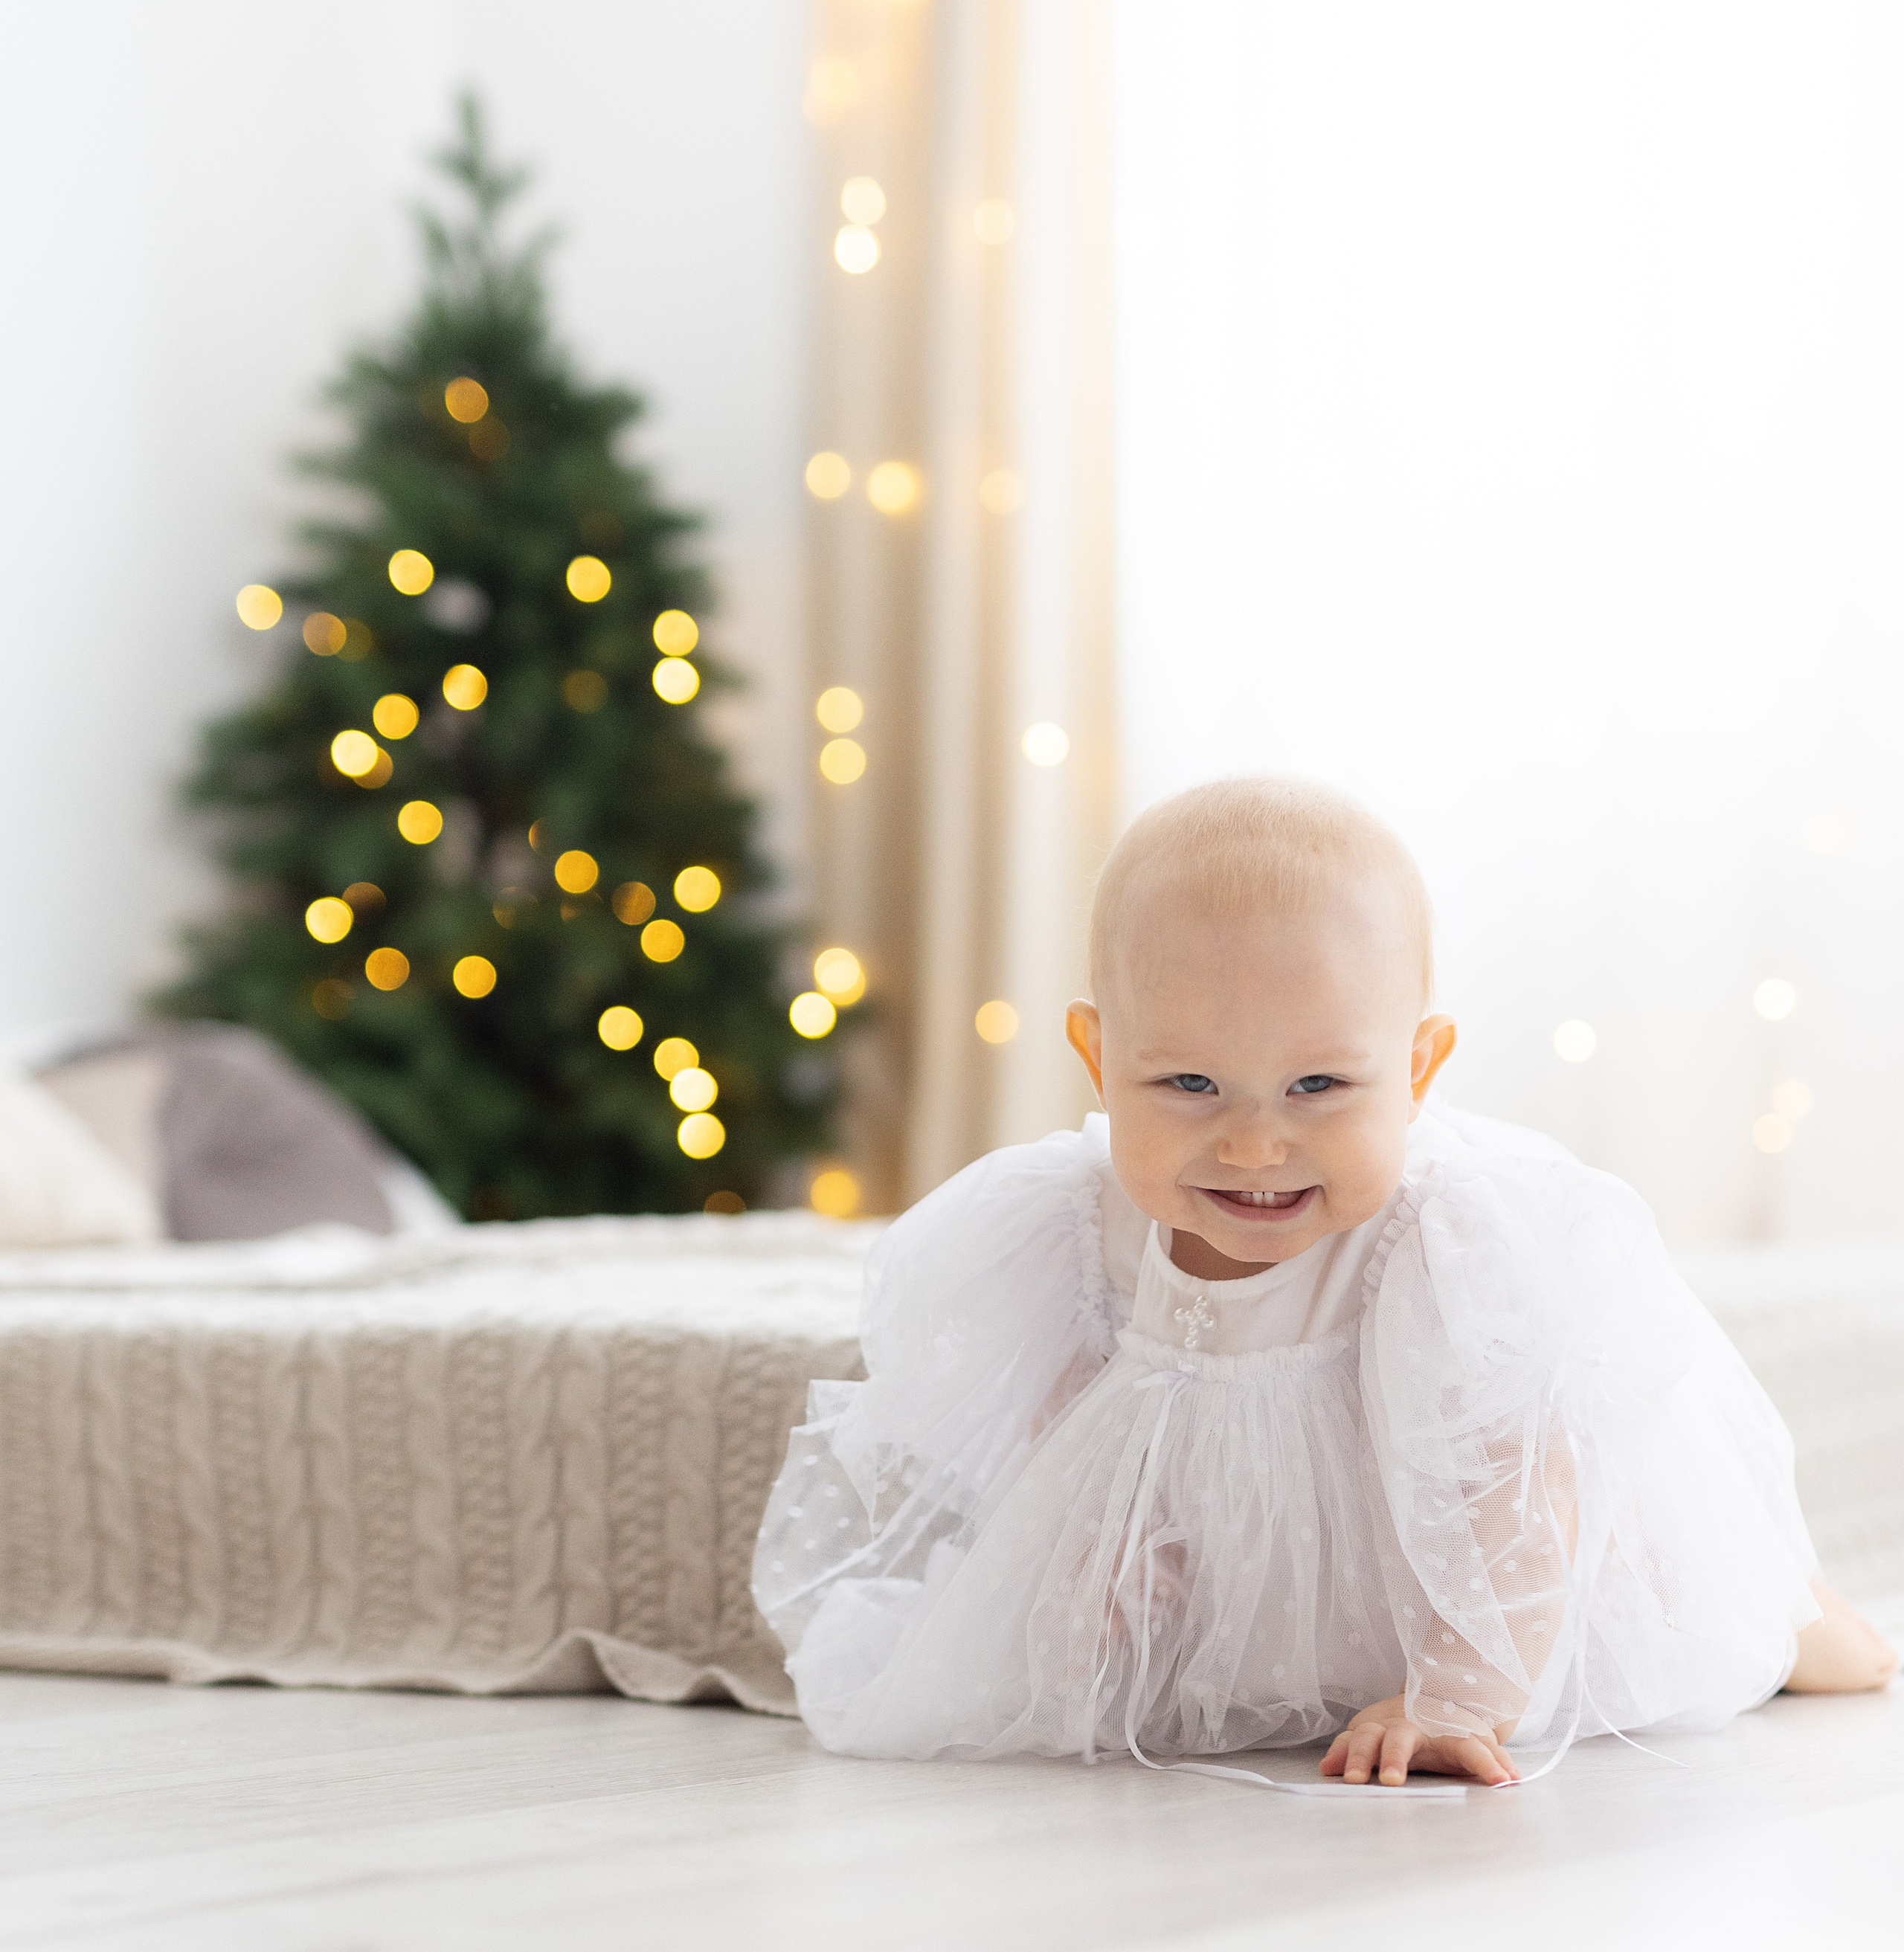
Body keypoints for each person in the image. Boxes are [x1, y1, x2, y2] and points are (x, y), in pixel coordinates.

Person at [754, 779, 1894, 1790]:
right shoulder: (1069, 1228)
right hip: (1262, 1598)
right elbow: (1076, 1438)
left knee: (1721, 1616)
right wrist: (1114, 1588)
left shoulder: (1449, 1241)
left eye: (1318, 1086)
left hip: (1506, 1579)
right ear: (1100, 1059)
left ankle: (1799, 1612)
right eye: (1190, 1082)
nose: (1255, 1143)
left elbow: (1519, 1496)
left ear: (1417, 1067)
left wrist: (1462, 1694)